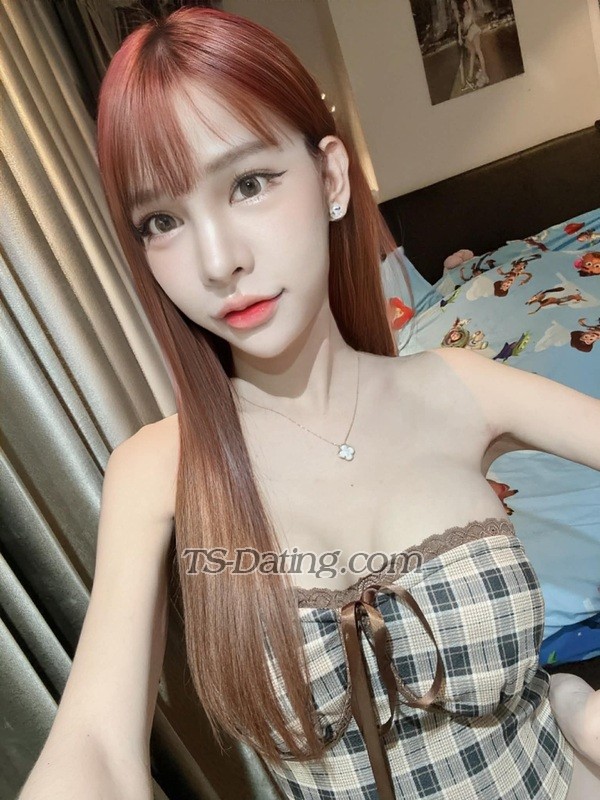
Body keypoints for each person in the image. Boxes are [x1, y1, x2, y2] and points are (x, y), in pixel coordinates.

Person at [18, 6, 600, 799]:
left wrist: (577, 714)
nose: (218, 260)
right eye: (163, 221)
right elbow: (93, 741)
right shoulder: (159, 469)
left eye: (248, 184)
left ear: (330, 179)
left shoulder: (462, 386)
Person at [461, 0, 490, 89]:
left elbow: (471, 4)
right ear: (463, 7)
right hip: (469, 35)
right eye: (464, 5)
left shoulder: (471, 12)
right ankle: (478, 73)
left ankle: (484, 75)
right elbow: (464, 30)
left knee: (478, 51)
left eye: (467, 4)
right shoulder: (464, 18)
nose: (466, 6)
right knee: (473, 52)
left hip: (474, 31)